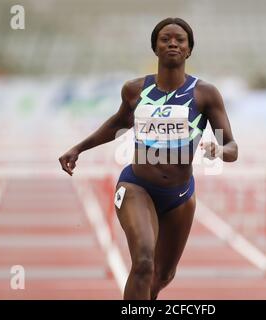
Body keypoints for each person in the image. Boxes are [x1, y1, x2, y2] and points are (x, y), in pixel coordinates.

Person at [59, 17, 238, 300]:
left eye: (180, 40)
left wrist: (218, 151)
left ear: (189, 50)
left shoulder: (205, 94)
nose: (172, 44)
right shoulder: (135, 90)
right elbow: (116, 124)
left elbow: (232, 147)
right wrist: (78, 148)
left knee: (162, 276)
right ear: (155, 48)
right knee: (143, 263)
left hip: (180, 194)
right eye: (165, 39)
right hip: (136, 186)